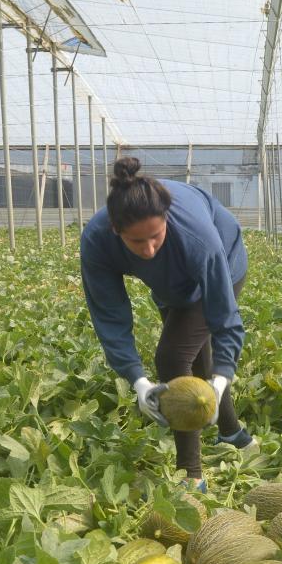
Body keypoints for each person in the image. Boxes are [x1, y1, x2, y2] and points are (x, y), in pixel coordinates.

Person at [80, 156, 253, 491]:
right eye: (136, 242)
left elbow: (224, 318)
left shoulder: (198, 238)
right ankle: (236, 436)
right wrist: (137, 381)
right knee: (188, 353)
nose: (148, 249)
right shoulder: (97, 241)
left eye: (156, 236)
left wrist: (220, 379)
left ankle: (191, 475)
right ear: (116, 231)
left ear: (166, 222)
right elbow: (110, 315)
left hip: (224, 264)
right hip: (171, 284)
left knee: (173, 357)